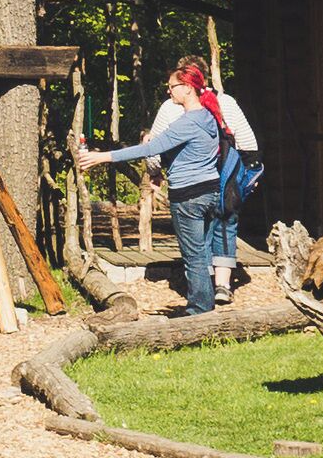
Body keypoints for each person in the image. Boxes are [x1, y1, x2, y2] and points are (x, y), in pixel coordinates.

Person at [73, 60, 257, 313]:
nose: (168, 91)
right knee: (201, 252)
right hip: (210, 193)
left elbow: (150, 148)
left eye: (172, 86)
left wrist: (101, 157)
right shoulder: (209, 116)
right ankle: (206, 301)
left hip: (188, 198)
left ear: (187, 88)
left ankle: (199, 310)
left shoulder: (187, 122)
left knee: (194, 257)